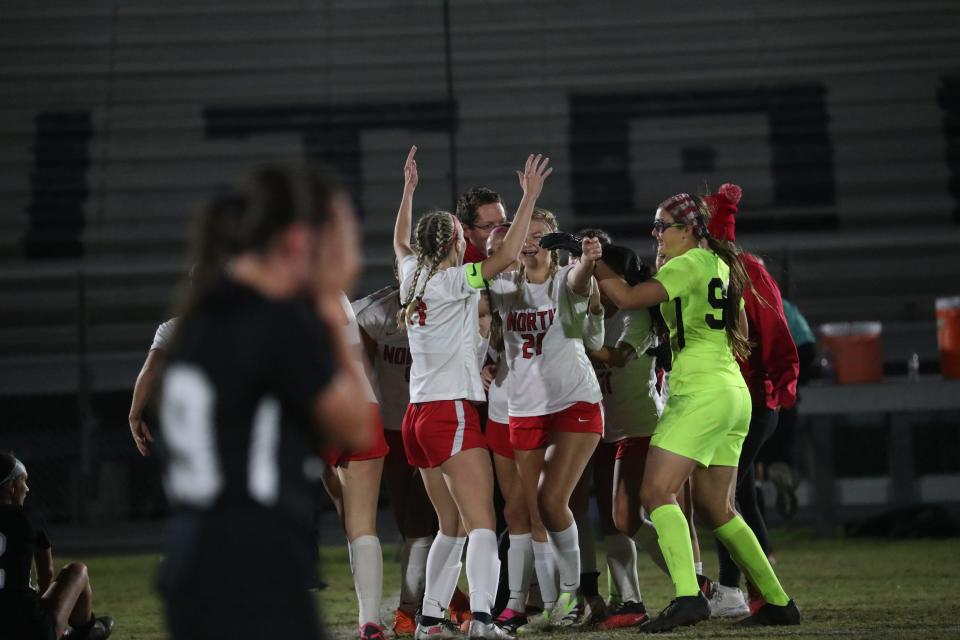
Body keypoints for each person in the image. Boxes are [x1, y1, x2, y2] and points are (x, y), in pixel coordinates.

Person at [157, 164, 374, 640]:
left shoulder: (204, 313)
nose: (347, 257)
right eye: (340, 240)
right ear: (299, 241)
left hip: (194, 559)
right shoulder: (276, 323)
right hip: (251, 564)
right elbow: (356, 424)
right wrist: (330, 308)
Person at [595, 191, 800, 632]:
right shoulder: (722, 266)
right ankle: (779, 602)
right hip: (732, 391)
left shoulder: (688, 264)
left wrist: (595, 262)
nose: (656, 235)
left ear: (689, 230)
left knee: (656, 493)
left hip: (700, 392)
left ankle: (689, 597)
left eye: (661, 225)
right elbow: (740, 328)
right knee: (717, 506)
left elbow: (629, 299)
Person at [394, 147, 551, 640]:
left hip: (416, 417)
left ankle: (431, 620)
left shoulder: (410, 276)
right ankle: (483, 619)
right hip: (450, 411)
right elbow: (505, 256)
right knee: (481, 523)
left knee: (451, 526)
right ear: (455, 242)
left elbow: (399, 240)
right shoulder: (452, 281)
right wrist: (529, 199)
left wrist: (408, 191)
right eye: (464, 235)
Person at [488, 209, 604, 630]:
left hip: (573, 401)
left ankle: (572, 597)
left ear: (554, 242)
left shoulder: (564, 279)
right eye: (526, 234)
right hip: (524, 408)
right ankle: (533, 600)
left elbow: (579, 282)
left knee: (552, 500)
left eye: (541, 235)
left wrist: (589, 262)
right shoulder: (503, 285)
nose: (531, 241)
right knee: (530, 509)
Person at [700, 184, 800, 618]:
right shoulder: (692, 269)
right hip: (724, 399)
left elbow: (777, 333)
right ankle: (750, 592)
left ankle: (736, 590)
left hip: (750, 401)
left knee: (724, 499)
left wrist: (782, 386)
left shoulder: (745, 273)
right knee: (738, 496)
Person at [353, 281, 472, 636]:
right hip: (392, 426)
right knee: (411, 524)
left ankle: (413, 609)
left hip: (432, 420)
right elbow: (360, 366)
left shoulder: (450, 300)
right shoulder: (374, 313)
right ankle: (447, 601)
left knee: (426, 524)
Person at [587, 244, 666, 630]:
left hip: (640, 427)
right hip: (604, 431)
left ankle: (696, 583)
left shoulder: (637, 314)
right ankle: (631, 601)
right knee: (610, 522)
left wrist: (576, 345)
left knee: (628, 519)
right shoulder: (593, 313)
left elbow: (617, 358)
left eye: (600, 277)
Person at [319, 292, 392, 640]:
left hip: (316, 410)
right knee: (360, 524)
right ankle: (370, 620)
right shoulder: (337, 293)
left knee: (351, 522)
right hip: (360, 405)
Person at [479, 224, 534, 635]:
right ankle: (515, 603)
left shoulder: (546, 282)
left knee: (544, 508)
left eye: (504, 249)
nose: (498, 257)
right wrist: (482, 362)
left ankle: (557, 598)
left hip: (543, 409)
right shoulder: (491, 293)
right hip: (501, 409)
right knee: (514, 510)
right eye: (491, 250)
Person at [0, 452, 115, 640]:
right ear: (11, 487)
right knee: (77, 570)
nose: (27, 489)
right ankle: (86, 631)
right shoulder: (28, 517)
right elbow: (46, 574)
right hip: (30, 629)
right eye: (23, 481)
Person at [456, 186, 508, 264]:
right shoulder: (457, 267)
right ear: (465, 230)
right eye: (489, 226)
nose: (499, 232)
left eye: (502, 223)